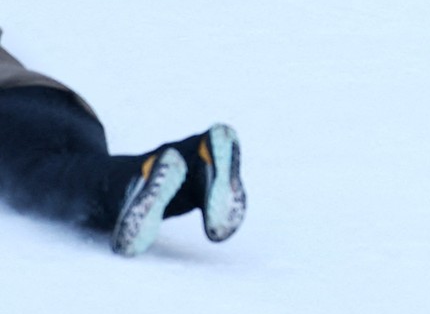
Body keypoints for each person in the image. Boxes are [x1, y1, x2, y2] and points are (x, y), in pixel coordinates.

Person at [0, 29, 246, 258]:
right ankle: (197, 163)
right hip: (74, 111)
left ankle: (135, 178)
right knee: (87, 196)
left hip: (11, 106)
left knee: (36, 180)